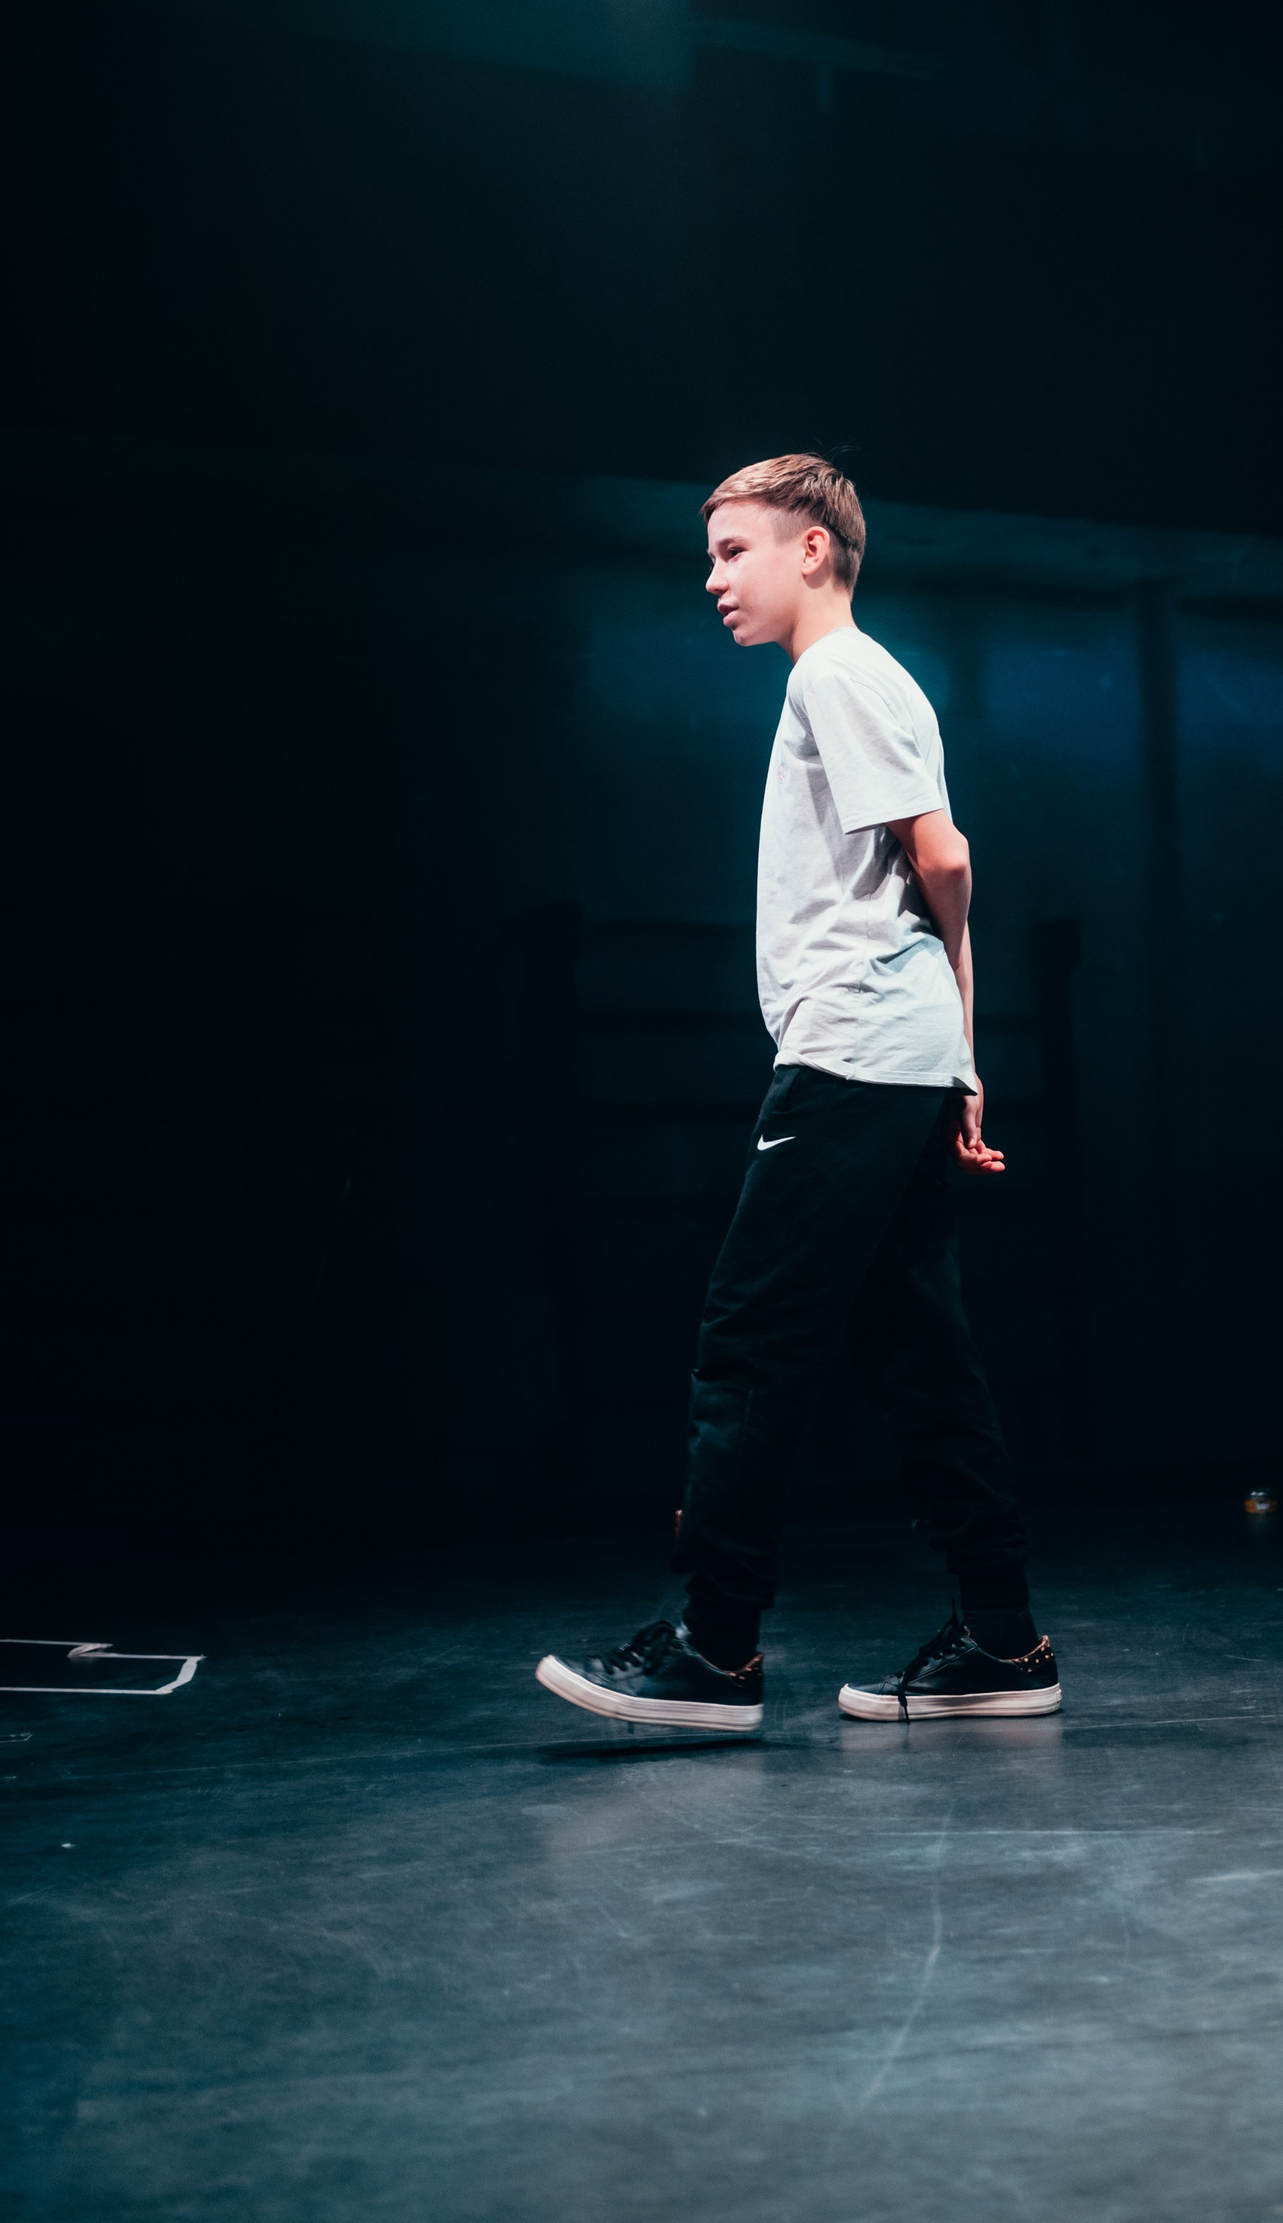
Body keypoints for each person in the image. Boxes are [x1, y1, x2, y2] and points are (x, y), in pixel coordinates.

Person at [537, 453, 1059, 1735]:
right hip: (894, 1050)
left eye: (735, 552)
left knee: (750, 1344)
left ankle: (713, 1650)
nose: (715, 580)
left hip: (851, 1052)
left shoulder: (836, 673)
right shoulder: (864, 677)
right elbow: (935, 870)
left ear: (811, 548)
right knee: (921, 1356)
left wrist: (949, 1048)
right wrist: (960, 1055)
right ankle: (1003, 1640)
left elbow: (946, 859)